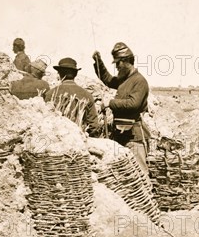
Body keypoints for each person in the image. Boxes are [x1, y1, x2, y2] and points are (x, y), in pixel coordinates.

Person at [92, 42, 150, 175]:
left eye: (118, 63)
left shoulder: (139, 81)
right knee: (126, 174)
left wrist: (110, 103)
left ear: (126, 62)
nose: (117, 67)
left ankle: (147, 195)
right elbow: (107, 79)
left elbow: (133, 103)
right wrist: (98, 62)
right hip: (122, 134)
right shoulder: (124, 80)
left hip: (134, 137)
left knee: (140, 172)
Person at [45, 58, 101, 136]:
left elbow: (46, 121)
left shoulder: (50, 94)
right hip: (79, 141)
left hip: (56, 139)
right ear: (76, 74)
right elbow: (93, 126)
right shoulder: (87, 95)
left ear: (59, 73)